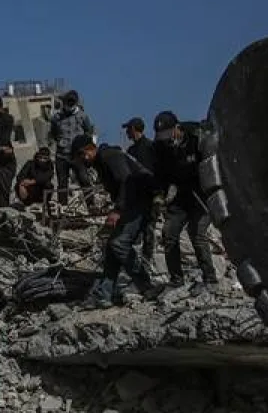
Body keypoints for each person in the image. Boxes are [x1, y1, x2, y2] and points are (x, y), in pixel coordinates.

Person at [80, 140, 162, 308]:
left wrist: (118, 210)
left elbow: (127, 180)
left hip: (142, 201)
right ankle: (104, 294)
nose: (83, 160)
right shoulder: (102, 162)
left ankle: (146, 285)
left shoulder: (108, 155)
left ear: (90, 149)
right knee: (112, 246)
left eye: (82, 155)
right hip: (134, 202)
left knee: (119, 243)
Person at [153, 110, 219, 294]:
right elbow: (160, 175)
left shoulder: (197, 137)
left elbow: (213, 166)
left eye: (168, 134)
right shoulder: (161, 148)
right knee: (169, 232)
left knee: (197, 233)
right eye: (161, 137)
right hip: (182, 194)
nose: (166, 139)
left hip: (202, 193)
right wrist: (159, 196)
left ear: (177, 127)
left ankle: (210, 279)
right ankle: (176, 280)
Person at [47, 90, 96, 206]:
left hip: (77, 156)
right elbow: (53, 133)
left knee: (84, 180)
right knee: (62, 183)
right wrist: (60, 142)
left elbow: (89, 132)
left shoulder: (83, 116)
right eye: (68, 102)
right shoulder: (56, 118)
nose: (70, 104)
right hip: (61, 155)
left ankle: (91, 205)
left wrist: (83, 147)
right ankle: (62, 207)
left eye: (72, 102)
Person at [123, 117, 160, 268]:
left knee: (148, 230)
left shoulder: (150, 147)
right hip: (135, 197)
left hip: (150, 195)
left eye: (128, 129)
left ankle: (146, 262)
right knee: (134, 230)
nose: (126, 133)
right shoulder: (131, 150)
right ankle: (135, 263)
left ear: (133, 129)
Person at [15, 145, 57, 209]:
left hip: (40, 189)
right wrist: (21, 185)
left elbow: (46, 177)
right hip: (28, 189)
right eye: (40, 157)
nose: (42, 160)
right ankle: (26, 204)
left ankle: (43, 204)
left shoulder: (50, 166)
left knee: (49, 185)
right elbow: (20, 175)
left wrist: (33, 181)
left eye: (45, 158)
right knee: (18, 185)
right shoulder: (30, 163)